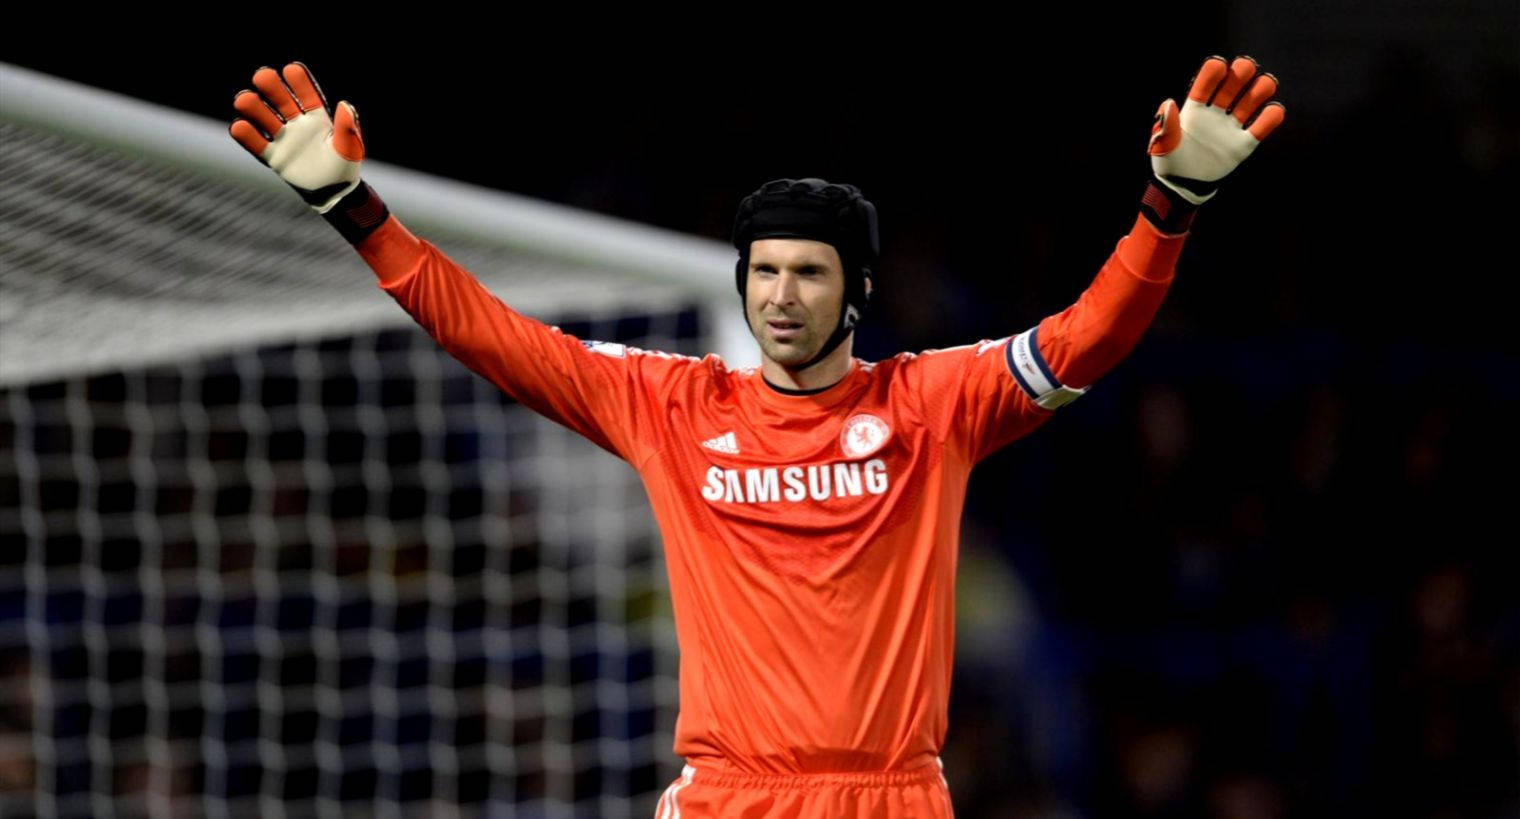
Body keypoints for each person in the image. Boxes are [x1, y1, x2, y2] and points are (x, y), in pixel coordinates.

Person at [230, 55, 1284, 818]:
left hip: (892, 799)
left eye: (808, 272)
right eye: (762, 270)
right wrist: (356, 211)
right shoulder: (671, 405)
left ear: (856, 289)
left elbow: (1086, 338)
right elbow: (494, 336)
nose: (778, 295)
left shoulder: (933, 404)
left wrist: (1169, 202)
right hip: (733, 798)